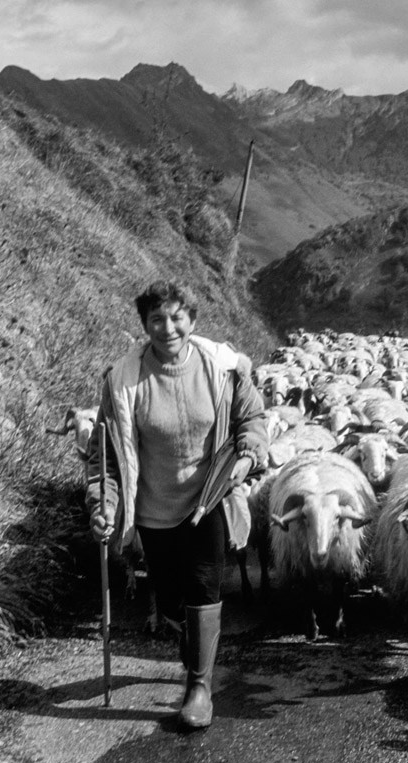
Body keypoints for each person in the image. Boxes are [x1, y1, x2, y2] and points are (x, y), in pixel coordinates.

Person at [86, 279, 268, 730]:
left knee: (205, 585)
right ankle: (185, 629)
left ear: (192, 320)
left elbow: (251, 418)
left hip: (209, 500)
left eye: (177, 317)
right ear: (144, 325)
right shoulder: (123, 381)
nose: (168, 328)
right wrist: (103, 504)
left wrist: (248, 453)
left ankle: (199, 687)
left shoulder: (223, 368)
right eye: (157, 319)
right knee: (169, 598)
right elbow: (104, 456)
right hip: (154, 510)